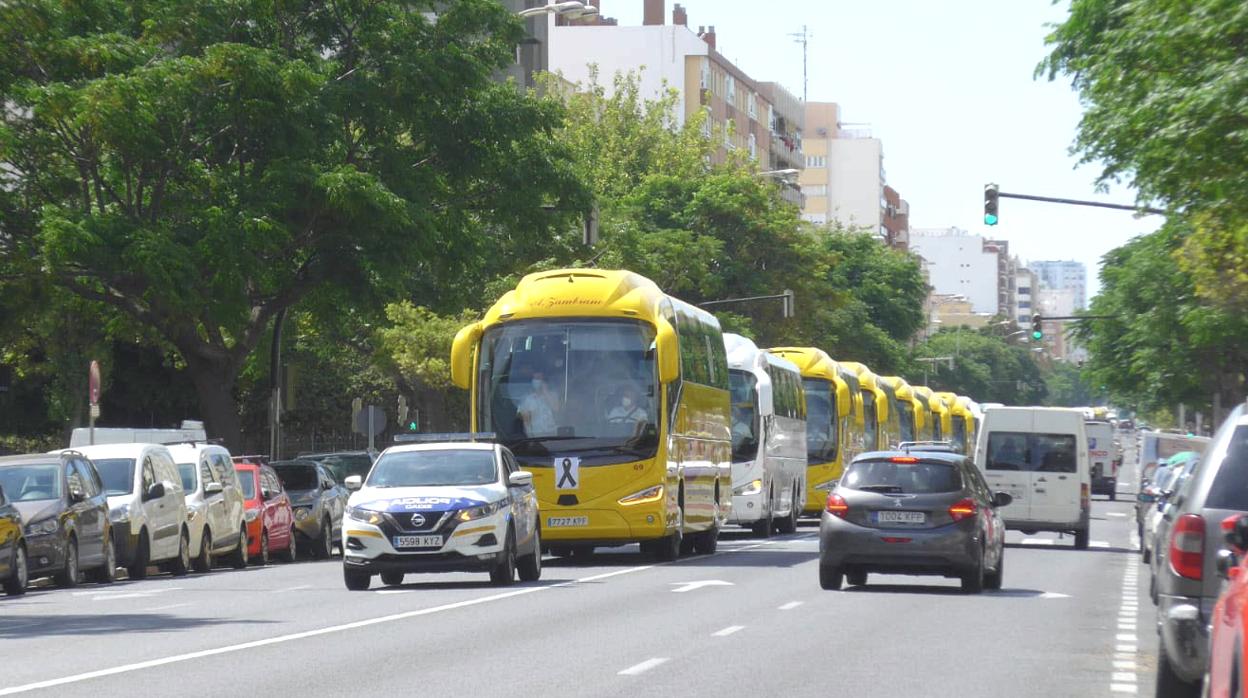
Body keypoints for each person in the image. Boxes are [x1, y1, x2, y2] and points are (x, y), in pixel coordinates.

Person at [518, 371, 559, 436]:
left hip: (552, 433)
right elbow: (524, 419)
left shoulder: (552, 394)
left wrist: (545, 391)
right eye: (534, 378)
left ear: (543, 381)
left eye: (538, 378)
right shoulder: (527, 398)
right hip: (535, 434)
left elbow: (556, 409)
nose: (536, 381)